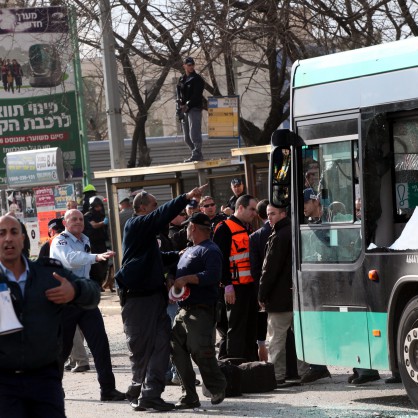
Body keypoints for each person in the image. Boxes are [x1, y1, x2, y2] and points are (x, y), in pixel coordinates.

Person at [0, 214, 100, 417]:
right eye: (1, 233)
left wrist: (74, 290)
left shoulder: (48, 274)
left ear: (23, 238)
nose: (8, 238)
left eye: (14, 232)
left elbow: (93, 292)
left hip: (44, 380)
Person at [119, 185, 206, 412]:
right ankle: (136, 390)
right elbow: (160, 216)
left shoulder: (147, 235)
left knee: (161, 346)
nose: (157, 210)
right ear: (141, 208)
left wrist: (175, 255)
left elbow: (153, 258)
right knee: (140, 348)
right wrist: (185, 197)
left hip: (155, 298)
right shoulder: (136, 224)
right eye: (154, 206)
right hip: (138, 300)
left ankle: (151, 395)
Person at [50, 209, 125, 402]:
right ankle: (51, 389)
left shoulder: (85, 239)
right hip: (65, 299)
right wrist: (96, 257)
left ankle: (108, 389)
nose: (77, 221)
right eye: (73, 219)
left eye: (80, 219)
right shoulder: (60, 240)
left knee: (100, 344)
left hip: (84, 296)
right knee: (63, 349)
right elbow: (70, 260)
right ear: (65, 223)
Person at [171, 212, 227, 409]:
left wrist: (187, 279)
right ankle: (189, 396)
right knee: (175, 349)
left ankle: (217, 386)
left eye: (187, 226)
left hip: (202, 310)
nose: (185, 229)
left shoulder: (210, 250)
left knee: (200, 351)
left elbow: (213, 275)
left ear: (193, 227)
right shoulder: (189, 249)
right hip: (183, 310)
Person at [213, 194, 259, 361]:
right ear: (240, 208)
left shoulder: (247, 228)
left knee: (250, 327)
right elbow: (220, 260)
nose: (255, 213)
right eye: (251, 209)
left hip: (248, 287)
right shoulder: (224, 228)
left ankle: (251, 364)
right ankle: (234, 364)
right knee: (236, 328)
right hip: (234, 288)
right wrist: (227, 285)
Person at [258, 204, 297, 385]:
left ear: (283, 213)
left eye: (273, 214)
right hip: (295, 296)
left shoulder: (279, 235)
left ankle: (277, 375)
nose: (269, 218)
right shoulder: (293, 230)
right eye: (267, 214)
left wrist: (262, 294)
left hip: (279, 297)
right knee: (298, 337)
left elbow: (269, 269)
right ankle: (302, 372)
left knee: (276, 340)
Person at [299, 188, 332, 384]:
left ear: (315, 202)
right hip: (313, 281)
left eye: (304, 203)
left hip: (335, 276)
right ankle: (318, 366)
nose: (302, 207)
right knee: (315, 325)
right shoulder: (305, 225)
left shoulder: (332, 219)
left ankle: (364, 369)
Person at [177, 57, 205, 162]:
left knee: (194, 133)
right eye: (189, 65)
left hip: (194, 108)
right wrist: (180, 105)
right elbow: (179, 94)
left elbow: (196, 95)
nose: (191, 66)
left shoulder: (197, 79)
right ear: (184, 66)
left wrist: (187, 105)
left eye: (192, 64)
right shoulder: (182, 79)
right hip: (185, 109)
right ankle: (196, 154)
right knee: (187, 138)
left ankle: (197, 153)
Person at [84, 197, 110, 290]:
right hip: (92, 243)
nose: (99, 208)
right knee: (95, 265)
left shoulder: (102, 214)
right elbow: (94, 225)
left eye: (100, 206)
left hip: (101, 242)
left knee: (104, 263)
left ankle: (100, 284)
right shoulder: (88, 215)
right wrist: (103, 222)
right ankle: (96, 285)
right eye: (97, 206)